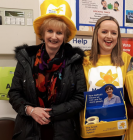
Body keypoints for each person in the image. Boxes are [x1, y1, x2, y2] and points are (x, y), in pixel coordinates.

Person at [8, 1, 86, 140]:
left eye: (59, 32)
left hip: (64, 132)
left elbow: (80, 98)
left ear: (65, 36)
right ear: (42, 33)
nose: (54, 37)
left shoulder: (74, 61)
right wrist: (31, 110)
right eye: (50, 31)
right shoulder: (26, 58)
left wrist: (51, 113)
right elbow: (14, 93)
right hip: (29, 131)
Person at [80, 16, 131, 139]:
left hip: (116, 127)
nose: (109, 36)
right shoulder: (84, 59)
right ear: (96, 34)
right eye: (104, 32)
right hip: (91, 125)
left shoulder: (124, 58)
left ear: (118, 37)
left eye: (114, 33)